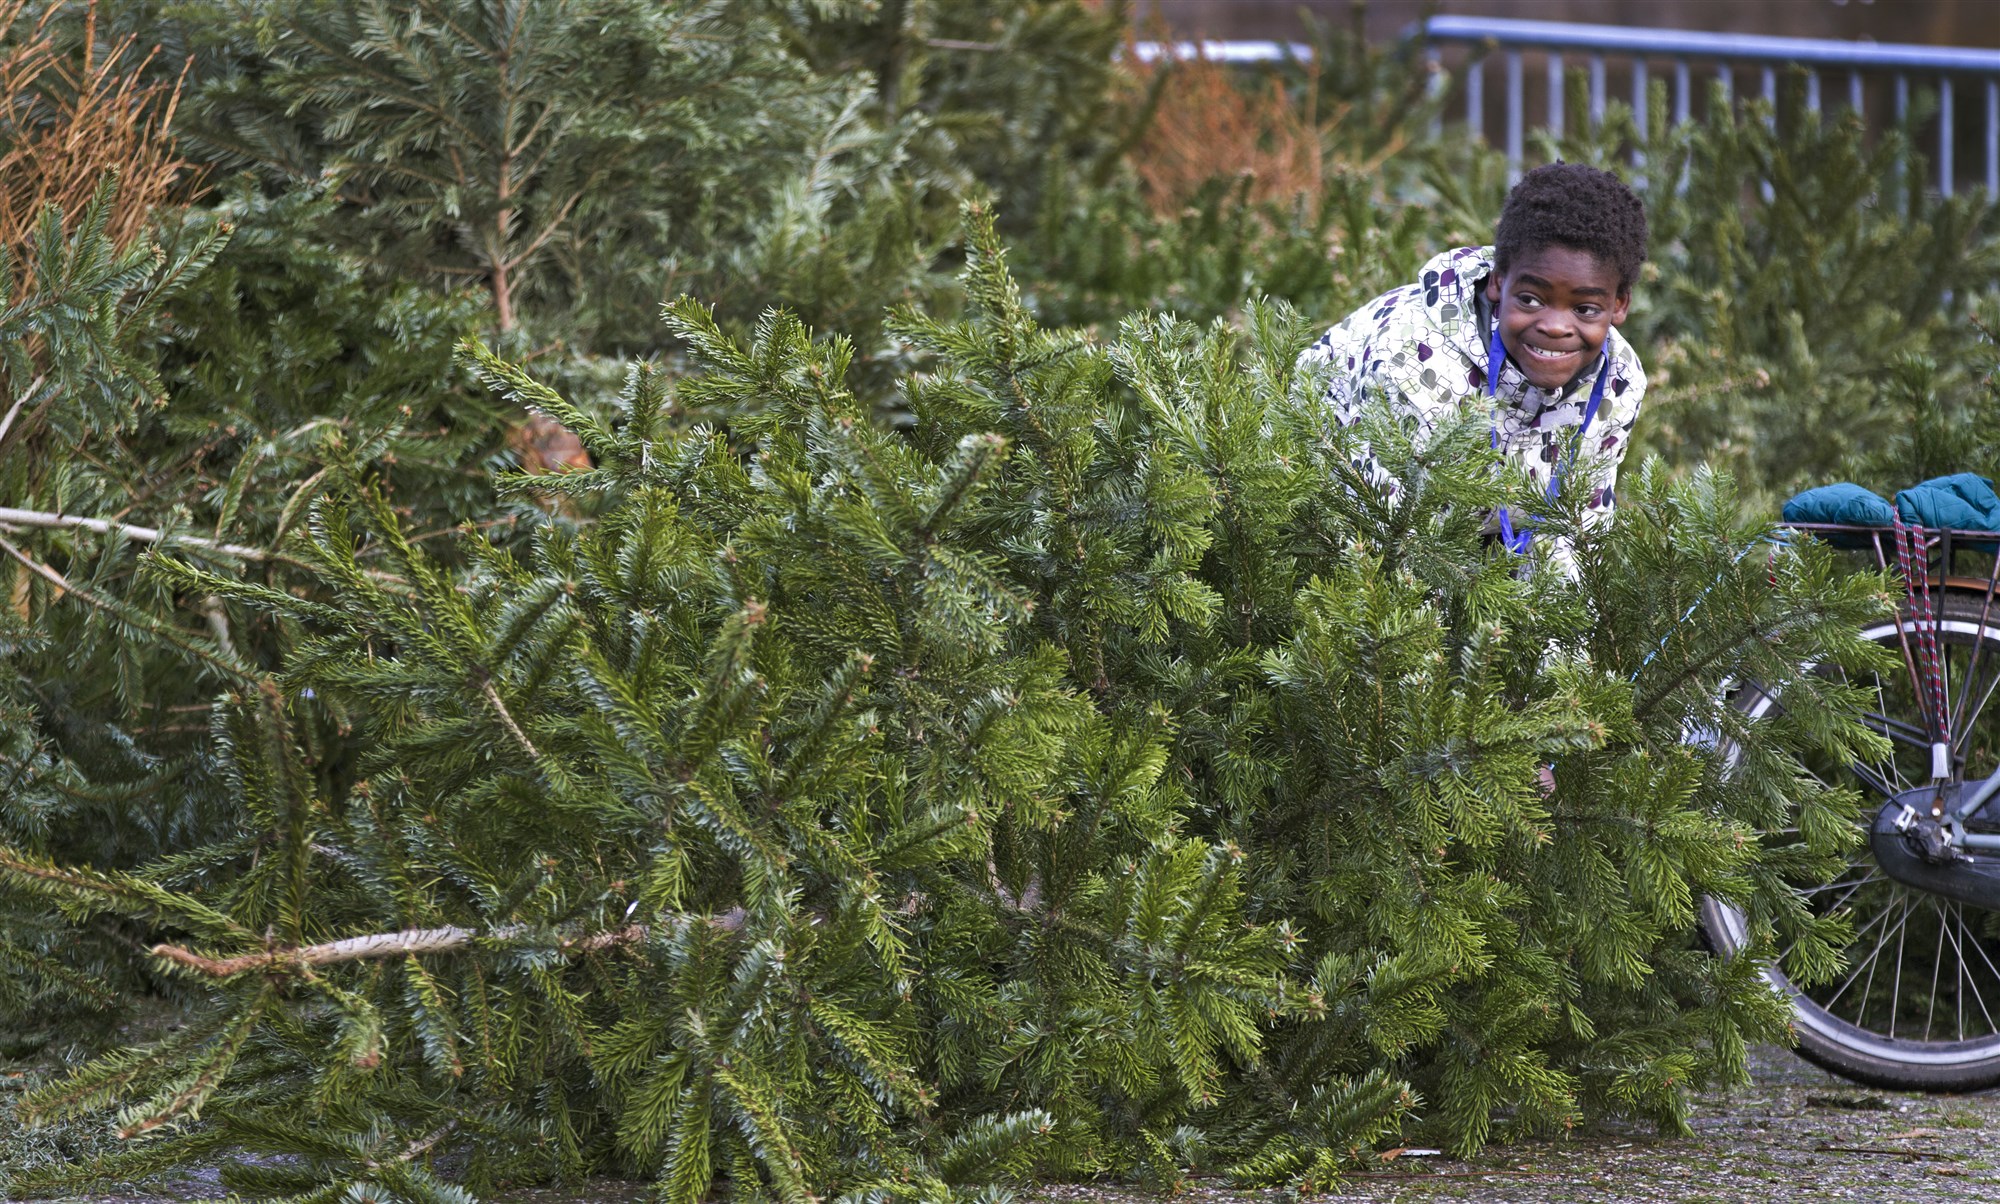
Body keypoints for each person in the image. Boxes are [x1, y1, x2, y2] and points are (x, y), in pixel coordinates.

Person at [1298, 162, 1648, 570]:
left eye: (1585, 309)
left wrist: (1557, 630)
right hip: (1324, 511)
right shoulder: (1411, 357)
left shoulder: (1619, 383)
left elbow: (1578, 528)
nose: (1555, 327)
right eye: (1531, 300)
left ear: (1619, 304)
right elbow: (1384, 539)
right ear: (1499, 280)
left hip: (1472, 530)